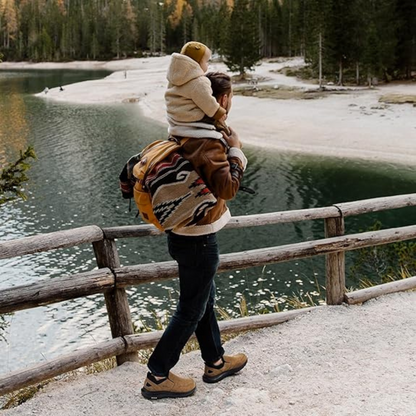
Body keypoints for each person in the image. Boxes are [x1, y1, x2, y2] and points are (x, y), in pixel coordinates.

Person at [141, 72, 248, 400]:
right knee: (191, 307)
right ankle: (157, 375)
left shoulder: (183, 128)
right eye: (229, 97)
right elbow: (228, 188)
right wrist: (237, 153)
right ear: (222, 100)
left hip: (181, 232)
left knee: (204, 299)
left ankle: (215, 361)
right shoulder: (207, 141)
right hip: (199, 238)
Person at [165, 41, 228, 139]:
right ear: (196, 64)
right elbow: (207, 101)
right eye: (206, 61)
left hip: (174, 117)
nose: (207, 65)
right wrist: (219, 113)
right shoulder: (198, 82)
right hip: (190, 117)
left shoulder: (174, 78)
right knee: (215, 122)